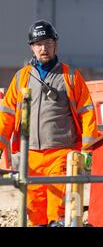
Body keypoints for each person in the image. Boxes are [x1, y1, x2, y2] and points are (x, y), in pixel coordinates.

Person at [0, 20, 98, 226]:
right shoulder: (21, 78)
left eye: (47, 43)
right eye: (38, 44)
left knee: (57, 209)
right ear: (32, 48)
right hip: (30, 155)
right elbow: (6, 115)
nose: (43, 48)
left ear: (56, 45)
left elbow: (87, 113)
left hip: (60, 154)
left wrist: (88, 151)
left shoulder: (71, 77)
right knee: (34, 210)